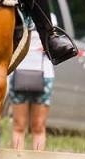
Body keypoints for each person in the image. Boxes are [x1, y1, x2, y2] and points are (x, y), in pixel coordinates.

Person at [9, 16, 55, 150]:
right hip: (18, 72)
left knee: (39, 126)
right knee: (18, 126)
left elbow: (54, 45)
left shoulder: (49, 17)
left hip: (44, 74)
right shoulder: (16, 14)